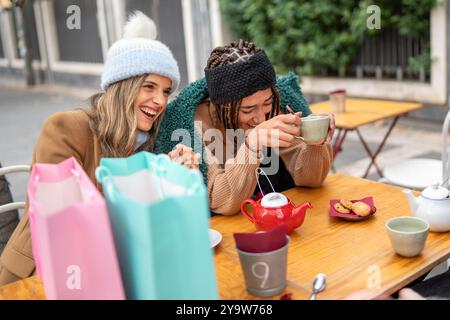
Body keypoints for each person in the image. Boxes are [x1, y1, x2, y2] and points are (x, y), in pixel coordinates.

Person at [0, 11, 198, 286]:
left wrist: (171, 179)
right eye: (149, 87)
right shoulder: (65, 128)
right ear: (123, 87)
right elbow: (63, 224)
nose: (159, 101)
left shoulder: (146, 142)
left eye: (166, 91)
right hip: (39, 277)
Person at [155, 39, 334, 215]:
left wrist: (316, 140)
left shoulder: (277, 109)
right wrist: (251, 145)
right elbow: (221, 202)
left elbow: (312, 179)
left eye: (267, 103)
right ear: (220, 106)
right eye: (248, 109)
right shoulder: (193, 126)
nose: (261, 118)